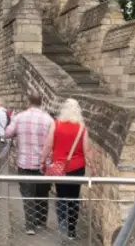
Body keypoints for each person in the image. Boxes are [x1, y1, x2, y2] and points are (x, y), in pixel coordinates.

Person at [4, 91, 54, 235]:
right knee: (43, 193)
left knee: (28, 194)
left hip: (25, 163)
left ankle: (30, 226)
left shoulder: (19, 117)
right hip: (44, 164)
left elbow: (7, 133)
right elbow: (52, 140)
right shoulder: (48, 119)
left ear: (28, 102)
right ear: (41, 102)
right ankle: (41, 222)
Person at [40, 98, 89, 239]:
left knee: (61, 196)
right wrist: (93, 165)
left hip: (59, 167)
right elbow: (87, 150)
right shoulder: (82, 129)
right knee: (74, 198)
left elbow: (48, 145)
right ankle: (72, 230)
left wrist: (42, 161)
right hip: (78, 168)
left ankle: (62, 225)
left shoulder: (56, 125)